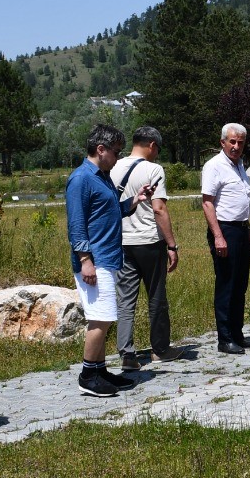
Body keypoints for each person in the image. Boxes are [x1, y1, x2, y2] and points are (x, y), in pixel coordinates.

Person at [67, 123, 157, 396]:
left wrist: (136, 200)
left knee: (106, 317)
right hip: (95, 260)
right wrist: (85, 260)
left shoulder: (102, 176)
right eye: (116, 152)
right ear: (100, 149)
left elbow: (109, 213)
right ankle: (88, 375)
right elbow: (77, 223)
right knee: (101, 318)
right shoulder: (81, 178)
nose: (118, 158)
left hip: (108, 257)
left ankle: (99, 369)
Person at [110, 126, 182, 367]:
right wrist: (172, 245)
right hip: (149, 241)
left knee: (125, 300)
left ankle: (127, 354)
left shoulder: (114, 166)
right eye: (157, 149)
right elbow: (159, 208)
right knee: (156, 297)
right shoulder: (153, 169)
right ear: (152, 145)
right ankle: (160, 349)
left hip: (122, 241)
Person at [201, 122, 250, 355]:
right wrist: (218, 236)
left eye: (240, 142)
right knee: (226, 285)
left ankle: (237, 333)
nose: (236, 146)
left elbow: (241, 202)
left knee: (240, 285)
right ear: (222, 142)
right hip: (225, 230)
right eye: (232, 141)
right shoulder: (214, 166)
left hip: (241, 229)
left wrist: (249, 229)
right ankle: (224, 339)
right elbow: (207, 202)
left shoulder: (240, 165)